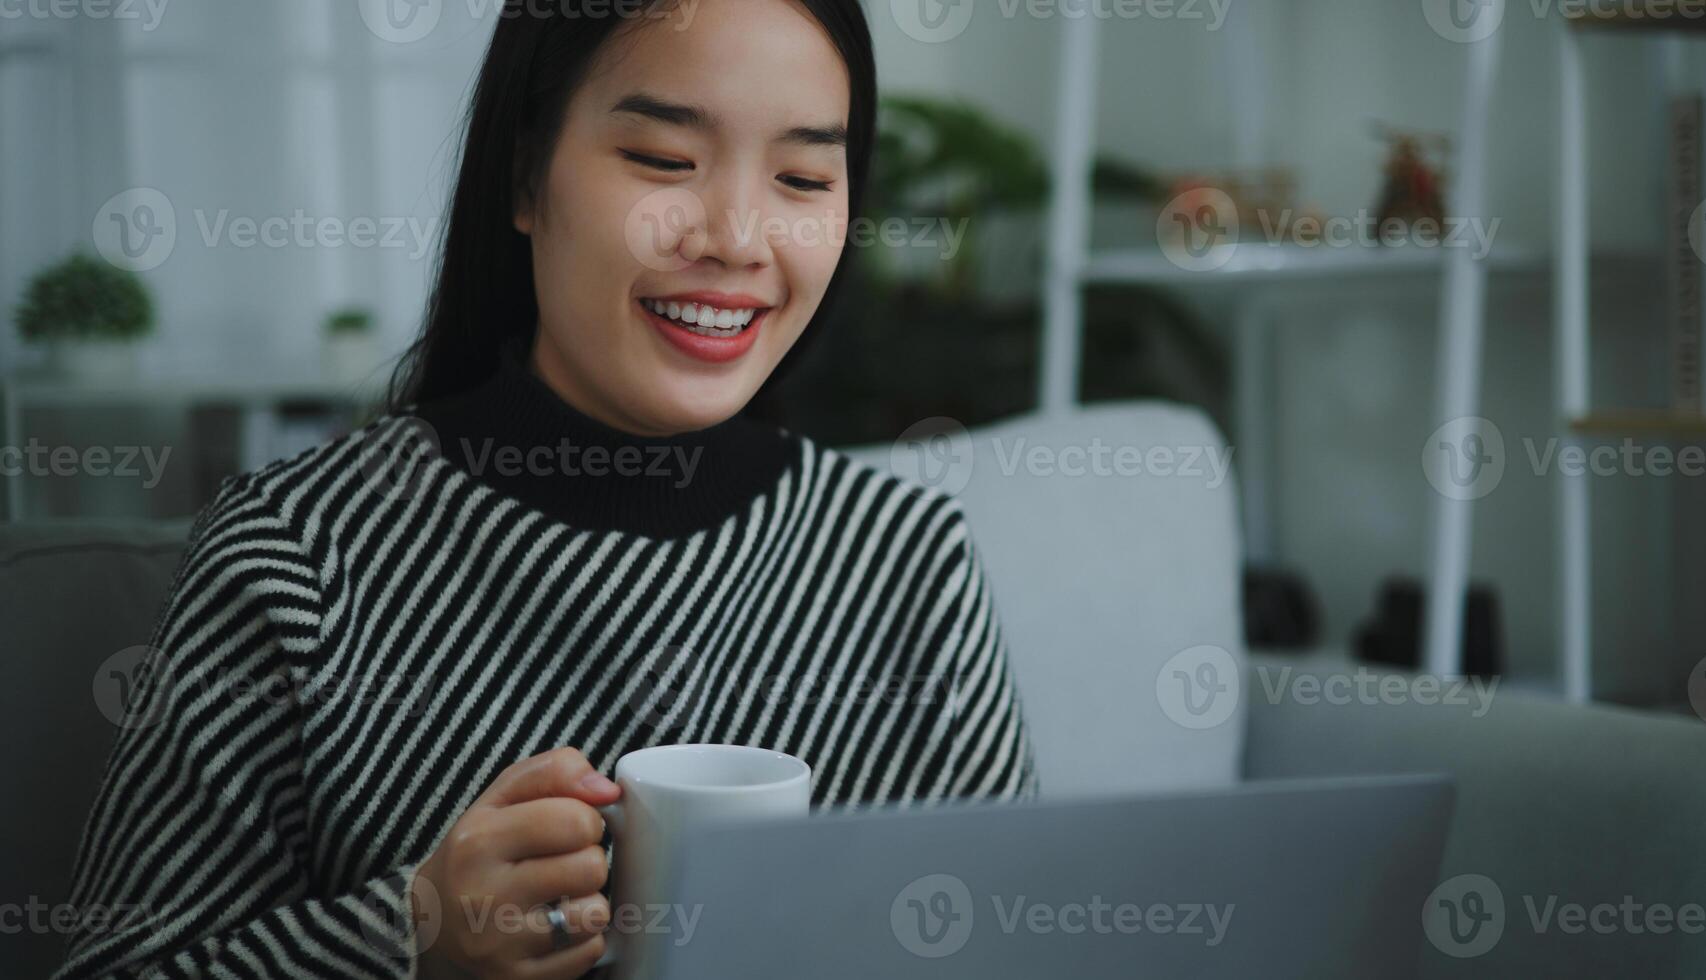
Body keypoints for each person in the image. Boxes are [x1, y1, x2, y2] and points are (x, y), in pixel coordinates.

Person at [57, 1, 1037, 976]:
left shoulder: (911, 562)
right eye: (662, 158)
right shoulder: (297, 555)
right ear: (525, 174)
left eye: (801, 176)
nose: (738, 238)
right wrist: (412, 931)